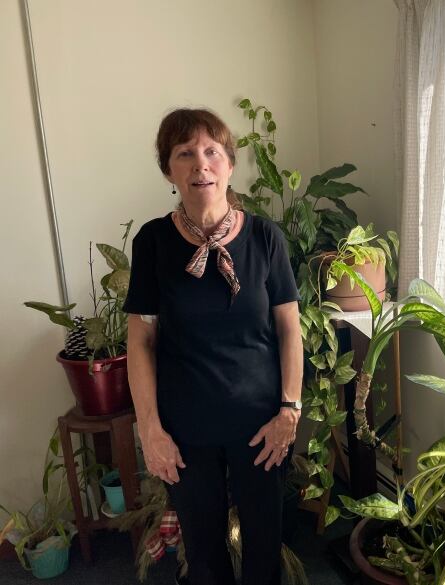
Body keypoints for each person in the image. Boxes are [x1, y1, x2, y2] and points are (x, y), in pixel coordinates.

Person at [123, 108, 303, 585]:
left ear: (228, 164)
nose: (200, 164)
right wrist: (150, 429)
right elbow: (140, 339)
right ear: (169, 170)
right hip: (185, 432)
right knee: (203, 555)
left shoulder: (266, 238)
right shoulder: (154, 242)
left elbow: (289, 328)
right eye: (185, 154)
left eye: (211, 152)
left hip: (262, 425)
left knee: (265, 548)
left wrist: (290, 409)